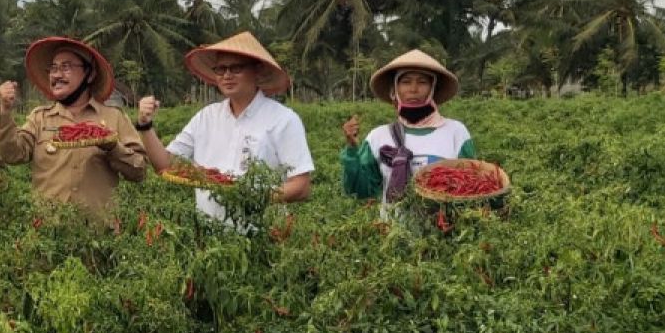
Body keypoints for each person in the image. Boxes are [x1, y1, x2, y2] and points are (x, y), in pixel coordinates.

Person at [137, 31, 313, 221]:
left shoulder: (283, 120)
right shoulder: (206, 117)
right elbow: (165, 165)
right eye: (220, 69)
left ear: (257, 71)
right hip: (209, 234)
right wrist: (145, 125)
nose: (227, 75)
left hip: (263, 233)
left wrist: (251, 197)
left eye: (236, 68)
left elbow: (301, 186)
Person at [0, 37, 146, 213]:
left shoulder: (114, 117)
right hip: (48, 233)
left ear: (89, 74)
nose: (57, 75)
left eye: (66, 67)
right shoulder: (39, 118)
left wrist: (113, 147)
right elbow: (12, 155)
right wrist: (5, 110)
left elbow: (139, 171)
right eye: (53, 68)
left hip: (101, 233)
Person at [340, 49, 476, 206]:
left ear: (433, 89)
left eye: (422, 82)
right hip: (395, 230)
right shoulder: (378, 137)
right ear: (394, 90)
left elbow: (471, 188)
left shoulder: (456, 132)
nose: (413, 89)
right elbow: (360, 191)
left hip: (444, 228)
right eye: (405, 82)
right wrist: (351, 150)